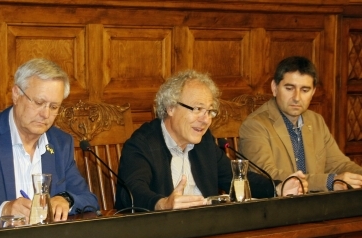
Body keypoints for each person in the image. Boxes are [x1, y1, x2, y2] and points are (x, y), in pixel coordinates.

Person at [115, 70, 307, 211]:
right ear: (171, 107)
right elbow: (132, 192)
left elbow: (236, 178)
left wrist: (278, 187)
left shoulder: (204, 143)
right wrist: (162, 204)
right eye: (197, 109)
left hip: (205, 232)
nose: (205, 119)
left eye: (210, 111)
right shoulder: (142, 144)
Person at [0, 58, 99, 226]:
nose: (45, 114)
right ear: (16, 94)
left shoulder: (60, 142)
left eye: (54, 107)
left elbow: (89, 200)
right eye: (39, 103)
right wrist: (5, 210)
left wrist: (66, 199)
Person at [239, 56, 362, 192]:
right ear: (274, 88)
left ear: (313, 92)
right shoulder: (255, 125)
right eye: (289, 88)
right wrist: (330, 181)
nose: (297, 98)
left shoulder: (316, 121)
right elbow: (269, 176)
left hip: (318, 205)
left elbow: (339, 164)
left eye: (305, 90)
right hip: (279, 207)